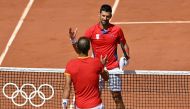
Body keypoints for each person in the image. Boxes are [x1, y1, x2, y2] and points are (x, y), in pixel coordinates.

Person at [69, 4, 129, 109]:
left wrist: (127, 57)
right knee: (96, 96)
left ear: (110, 16)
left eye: (107, 16)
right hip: (96, 68)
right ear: (99, 15)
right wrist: (74, 41)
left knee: (117, 97)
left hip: (113, 68)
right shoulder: (91, 31)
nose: (105, 18)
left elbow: (124, 44)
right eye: (103, 16)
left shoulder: (117, 30)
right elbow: (80, 50)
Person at [62, 37, 109, 109]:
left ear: (77, 47)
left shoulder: (70, 64)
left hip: (80, 106)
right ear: (89, 48)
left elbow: (67, 87)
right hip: (96, 106)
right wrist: (103, 66)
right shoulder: (96, 62)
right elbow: (106, 78)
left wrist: (64, 105)